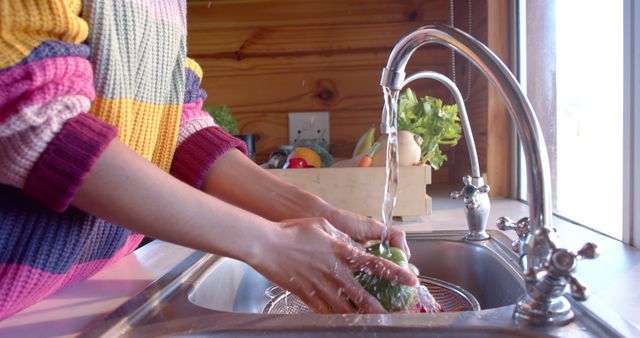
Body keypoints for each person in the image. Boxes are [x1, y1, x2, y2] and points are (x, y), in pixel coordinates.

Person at [0, 0, 417, 320]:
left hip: (99, 289)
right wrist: (268, 242)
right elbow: (31, 119)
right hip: (16, 304)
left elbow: (175, 122)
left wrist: (314, 211)